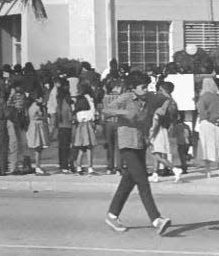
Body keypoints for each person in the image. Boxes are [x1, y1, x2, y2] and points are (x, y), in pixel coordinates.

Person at [102, 73, 171, 235]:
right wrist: (124, 113)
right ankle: (156, 220)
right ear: (133, 88)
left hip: (140, 143)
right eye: (143, 87)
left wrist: (162, 108)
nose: (146, 90)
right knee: (143, 182)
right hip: (127, 144)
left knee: (128, 181)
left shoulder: (149, 98)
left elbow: (166, 98)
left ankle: (112, 215)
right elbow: (106, 111)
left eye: (148, 86)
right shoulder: (126, 97)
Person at [195, 77, 219, 178]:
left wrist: (207, 118)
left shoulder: (203, 98)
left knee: (206, 147)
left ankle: (208, 170)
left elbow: (201, 112)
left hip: (206, 124)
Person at [148, 81, 180, 182]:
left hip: (158, 127)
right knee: (159, 151)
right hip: (165, 127)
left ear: (163, 90)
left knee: (155, 153)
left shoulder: (164, 101)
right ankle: (155, 173)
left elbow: (160, 113)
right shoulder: (173, 101)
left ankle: (174, 168)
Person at [51, 80, 75, 174]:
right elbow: (70, 116)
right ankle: (65, 166)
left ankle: (62, 164)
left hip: (60, 126)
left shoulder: (59, 103)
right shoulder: (67, 103)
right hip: (67, 126)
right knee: (66, 147)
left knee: (61, 147)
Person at [72, 86, 97, 176]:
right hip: (88, 126)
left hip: (80, 127)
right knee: (89, 148)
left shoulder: (78, 111)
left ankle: (79, 167)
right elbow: (93, 114)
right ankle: (90, 168)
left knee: (81, 149)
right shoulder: (89, 109)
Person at [27, 91, 49, 175]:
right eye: (40, 98)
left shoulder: (38, 106)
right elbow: (37, 117)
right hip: (36, 128)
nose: (42, 99)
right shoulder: (34, 107)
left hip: (39, 127)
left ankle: (38, 166)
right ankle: (37, 166)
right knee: (37, 147)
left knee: (39, 148)